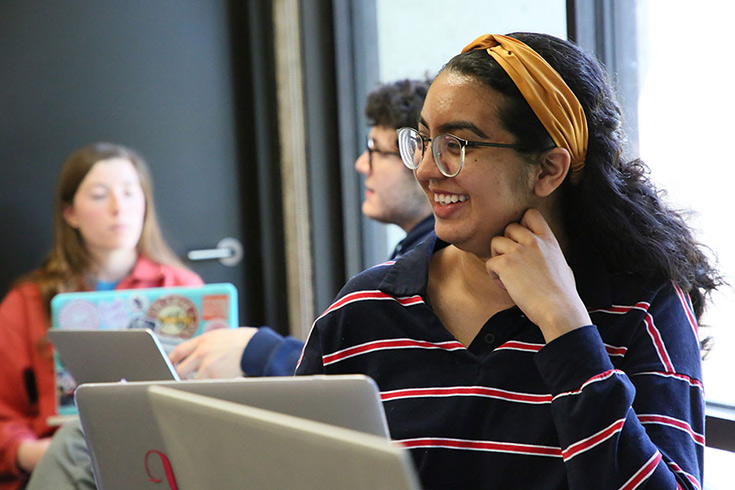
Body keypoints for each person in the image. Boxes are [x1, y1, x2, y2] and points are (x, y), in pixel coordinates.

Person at [296, 32, 719, 489]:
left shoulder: (640, 308)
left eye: (458, 144)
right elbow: (287, 470)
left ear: (547, 169)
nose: (425, 168)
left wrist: (567, 327)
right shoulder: (363, 310)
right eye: (422, 140)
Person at [169, 78, 433, 380]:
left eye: (375, 149)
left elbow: (371, 377)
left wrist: (259, 352)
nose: (362, 164)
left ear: (419, 158)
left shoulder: (433, 267)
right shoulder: (412, 253)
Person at [0, 143, 203, 489]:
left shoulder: (183, 288)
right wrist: (26, 451)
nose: (118, 208)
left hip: (160, 453)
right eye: (98, 195)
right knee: (74, 444)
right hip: (63, 457)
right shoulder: (28, 300)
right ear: (70, 213)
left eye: (129, 193)